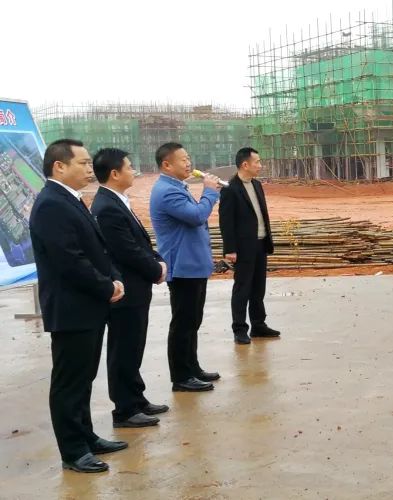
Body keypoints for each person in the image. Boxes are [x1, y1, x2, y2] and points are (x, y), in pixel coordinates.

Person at [30, 139, 128, 473]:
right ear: (60, 166)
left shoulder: (71, 200)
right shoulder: (51, 205)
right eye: (83, 163)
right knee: (69, 383)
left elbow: (96, 250)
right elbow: (69, 260)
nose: (90, 169)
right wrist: (106, 286)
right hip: (71, 309)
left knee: (83, 378)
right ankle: (73, 451)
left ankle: (86, 437)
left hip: (88, 305)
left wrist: (112, 278)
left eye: (89, 163)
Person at [90, 148, 169, 429]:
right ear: (114, 173)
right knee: (123, 349)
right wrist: (155, 269)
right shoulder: (106, 206)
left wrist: (157, 261)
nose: (133, 170)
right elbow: (126, 251)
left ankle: (136, 398)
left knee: (134, 345)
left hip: (137, 288)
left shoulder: (117, 201)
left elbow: (141, 243)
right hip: (126, 290)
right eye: (129, 165)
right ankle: (124, 409)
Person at [150, 142, 222, 393]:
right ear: (166, 165)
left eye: (189, 158)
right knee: (183, 323)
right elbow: (195, 216)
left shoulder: (176, 186)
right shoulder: (166, 191)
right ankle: (181, 376)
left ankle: (192, 367)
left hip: (193, 264)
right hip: (182, 266)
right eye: (183, 159)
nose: (188, 163)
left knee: (193, 321)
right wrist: (210, 192)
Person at [219, 147, 280, 344]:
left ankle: (258, 324)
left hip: (260, 243)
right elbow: (226, 221)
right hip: (243, 247)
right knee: (242, 288)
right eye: (257, 162)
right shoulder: (230, 189)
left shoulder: (257, 185)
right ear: (245, 164)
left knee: (258, 287)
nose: (260, 166)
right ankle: (239, 328)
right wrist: (230, 249)